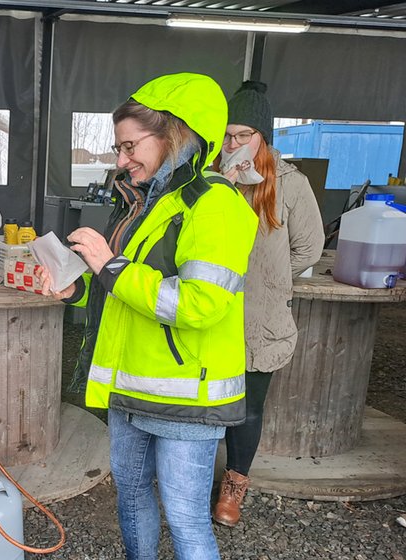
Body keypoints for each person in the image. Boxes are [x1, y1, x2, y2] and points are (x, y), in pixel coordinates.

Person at [38, 72, 258, 559]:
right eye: (118, 148)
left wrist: (110, 266)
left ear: (175, 134)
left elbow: (199, 303)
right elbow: (124, 292)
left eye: (130, 146)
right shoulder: (143, 204)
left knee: (185, 519)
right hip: (131, 385)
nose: (121, 160)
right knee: (132, 499)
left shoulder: (215, 204)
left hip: (187, 398)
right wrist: (78, 290)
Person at [211, 81, 325, 527]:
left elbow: (310, 248)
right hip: (211, 309)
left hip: (261, 318)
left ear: (263, 137)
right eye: (227, 135)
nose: (233, 144)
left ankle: (234, 486)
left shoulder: (291, 183)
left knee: (248, 407)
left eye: (244, 135)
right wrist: (222, 186)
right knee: (206, 402)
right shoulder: (212, 177)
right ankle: (194, 473)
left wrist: (272, 277)